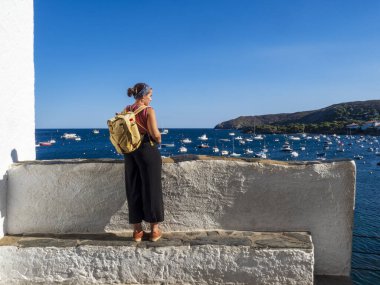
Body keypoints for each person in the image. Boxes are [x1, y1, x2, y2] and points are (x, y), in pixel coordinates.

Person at [123, 82, 164, 242]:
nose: (151, 99)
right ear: (143, 96)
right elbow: (155, 134)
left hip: (129, 152)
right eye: (150, 96)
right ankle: (154, 230)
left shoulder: (126, 110)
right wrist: (159, 138)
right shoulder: (148, 111)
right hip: (146, 150)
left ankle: (137, 231)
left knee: (133, 187)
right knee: (151, 188)